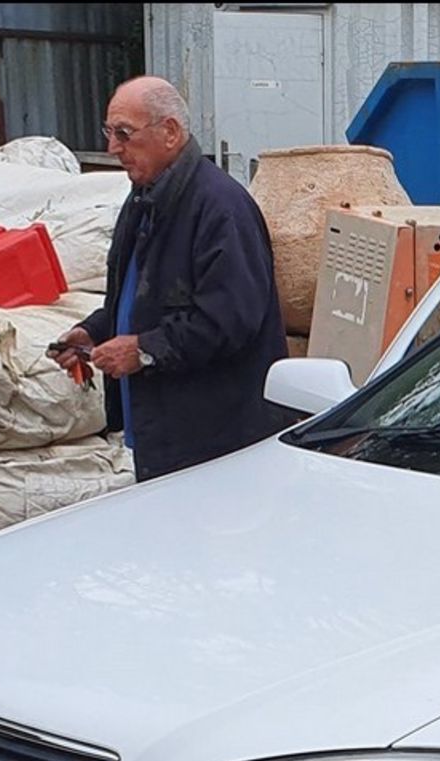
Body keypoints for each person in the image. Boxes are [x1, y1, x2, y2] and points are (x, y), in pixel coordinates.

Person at [52, 77, 290, 481]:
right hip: (164, 434)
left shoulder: (221, 208)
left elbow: (228, 322)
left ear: (170, 132)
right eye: (109, 133)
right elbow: (139, 297)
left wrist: (143, 349)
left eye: (124, 134)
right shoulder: (144, 199)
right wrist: (94, 331)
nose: (113, 149)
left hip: (217, 444)